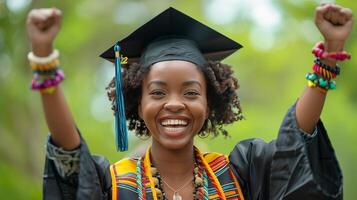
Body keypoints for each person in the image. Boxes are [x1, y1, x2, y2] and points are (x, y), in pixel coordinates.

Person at [26, 3, 353, 200]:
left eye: (191, 92)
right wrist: (44, 61)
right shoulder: (110, 184)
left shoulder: (239, 174)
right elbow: (69, 153)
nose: (174, 104)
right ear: (137, 104)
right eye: (157, 92)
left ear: (209, 104)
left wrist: (328, 59)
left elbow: (292, 142)